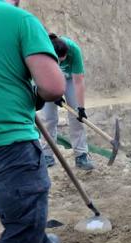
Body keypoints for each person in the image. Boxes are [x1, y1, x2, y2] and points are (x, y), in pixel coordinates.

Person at [0, 0, 66, 243]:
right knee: (23, 224)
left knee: (19, 218)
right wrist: (31, 94)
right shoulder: (20, 20)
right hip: (6, 141)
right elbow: (52, 86)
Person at [40, 33, 93, 170]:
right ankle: (47, 154)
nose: (62, 62)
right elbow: (39, 75)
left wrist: (81, 108)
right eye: (60, 61)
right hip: (48, 77)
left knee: (76, 117)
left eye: (64, 60)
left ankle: (81, 154)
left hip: (70, 80)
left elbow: (78, 81)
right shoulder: (44, 52)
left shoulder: (74, 50)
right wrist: (54, 92)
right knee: (48, 118)